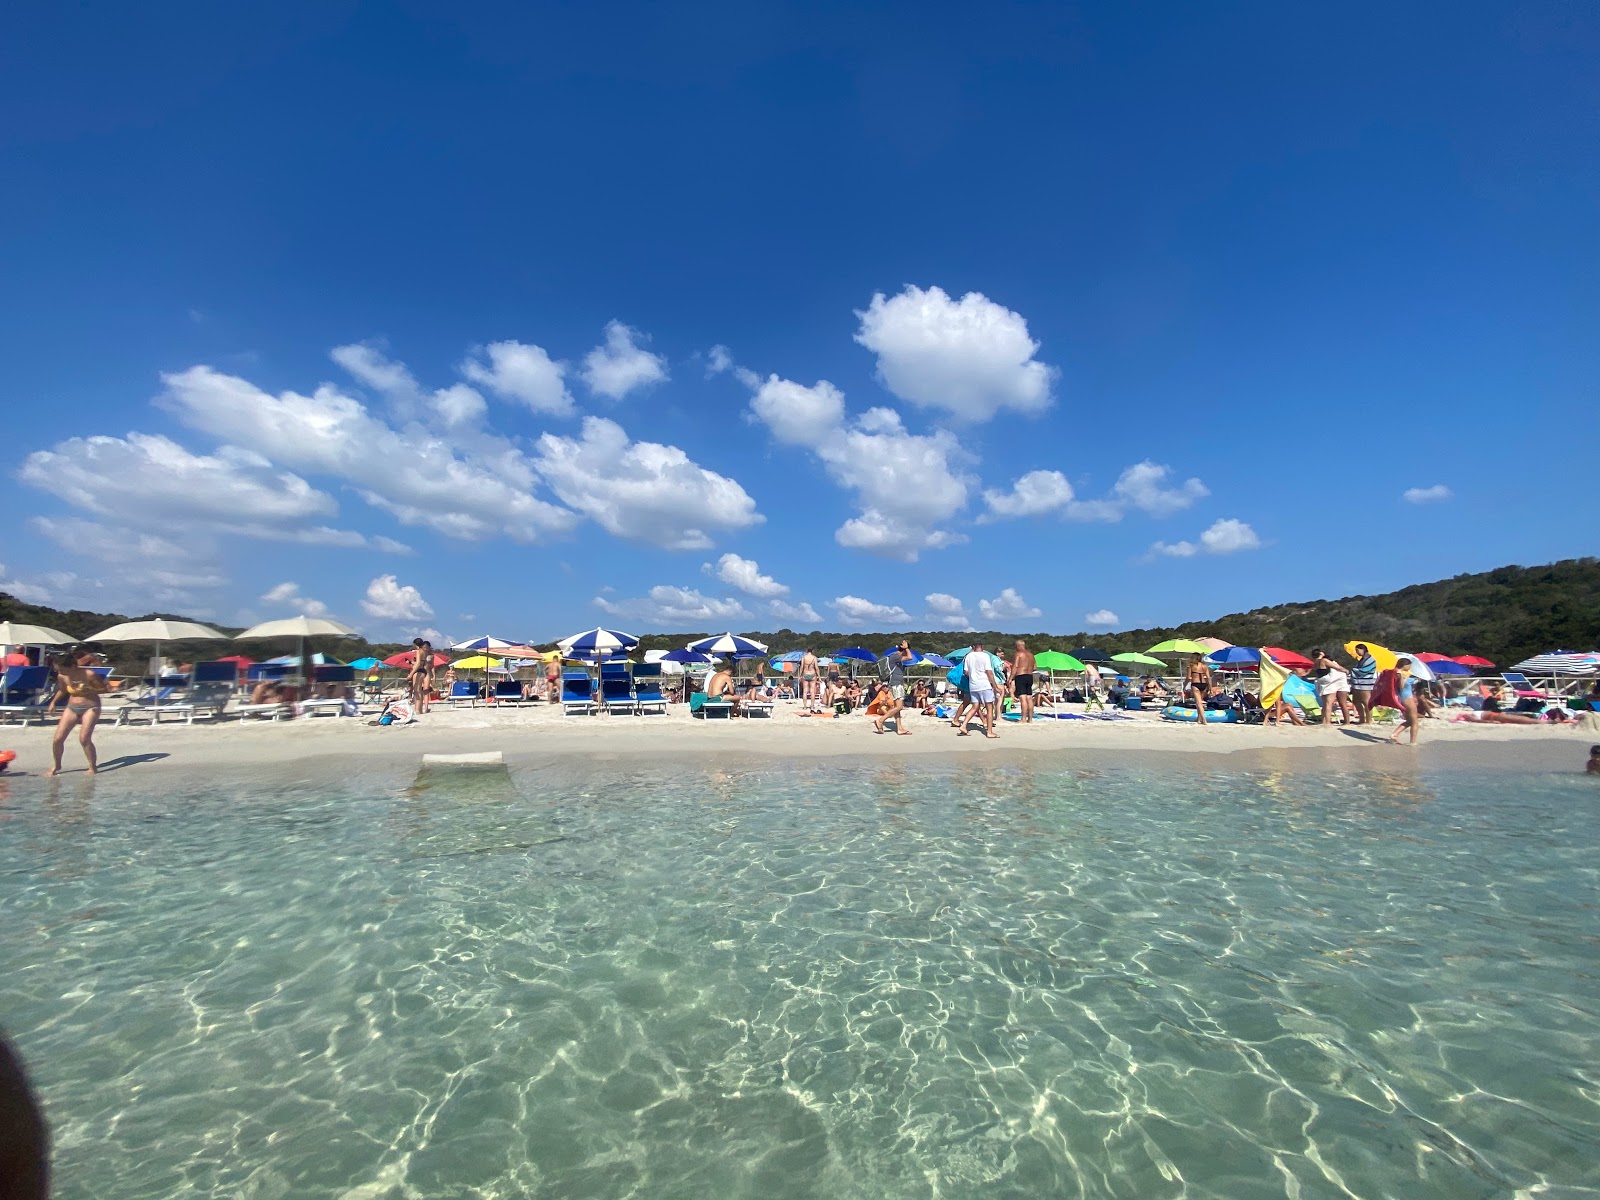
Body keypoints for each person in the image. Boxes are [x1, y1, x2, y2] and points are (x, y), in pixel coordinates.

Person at [43, 645, 111, 776]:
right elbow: (62, 690)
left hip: (91, 706)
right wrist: (53, 702)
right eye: (59, 670)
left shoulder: (89, 674)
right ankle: (57, 766)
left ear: (72, 666)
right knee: (57, 739)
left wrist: (89, 689)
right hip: (72, 707)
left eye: (62, 669)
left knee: (84, 738)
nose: (60, 672)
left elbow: (105, 689)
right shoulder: (62, 676)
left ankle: (92, 767)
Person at [960, 642, 1000, 739]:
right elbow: (989, 672)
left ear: (973, 647)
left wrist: (974, 676)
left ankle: (963, 725)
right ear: (983, 647)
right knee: (989, 708)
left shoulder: (968, 656)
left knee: (975, 707)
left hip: (973, 685)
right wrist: (995, 686)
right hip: (984, 684)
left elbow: (966, 672)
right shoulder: (985, 656)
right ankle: (989, 732)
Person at [1311, 649, 1356, 726]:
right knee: (1333, 703)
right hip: (1330, 682)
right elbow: (1336, 667)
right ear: (1321, 653)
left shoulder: (1315, 663)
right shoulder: (1324, 660)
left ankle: (1324, 721)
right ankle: (1331, 722)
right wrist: (1346, 671)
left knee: (1326, 704)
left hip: (1323, 682)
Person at [1388, 657, 1420, 745]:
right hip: (1407, 698)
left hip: (1403, 697)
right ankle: (1413, 742)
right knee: (1414, 721)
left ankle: (1394, 735)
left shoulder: (1394, 672)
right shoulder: (1400, 673)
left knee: (1409, 721)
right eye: (1409, 665)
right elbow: (1401, 686)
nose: (1410, 667)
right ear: (1405, 665)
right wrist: (1404, 678)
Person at [1349, 644, 1378, 725]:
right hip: (1357, 684)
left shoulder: (1371, 660)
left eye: (1357, 650)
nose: (1357, 652)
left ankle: (1368, 720)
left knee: (1366, 702)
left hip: (1366, 684)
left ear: (1363, 649)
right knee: (1356, 701)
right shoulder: (1361, 660)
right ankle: (1362, 719)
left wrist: (1354, 670)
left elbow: (1365, 670)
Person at [1010, 640, 1037, 724]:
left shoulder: (1018, 654)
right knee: (1029, 697)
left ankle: (1023, 718)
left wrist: (1010, 678)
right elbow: (1035, 667)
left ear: (1018, 646)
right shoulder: (1031, 655)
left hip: (1021, 676)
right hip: (1029, 676)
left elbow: (1015, 666)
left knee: (1023, 697)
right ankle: (1030, 719)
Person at [408, 640, 435, 716]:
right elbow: (425, 663)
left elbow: (418, 663)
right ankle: (419, 709)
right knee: (420, 691)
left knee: (417, 691)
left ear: (415, 644)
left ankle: (417, 709)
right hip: (424, 671)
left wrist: (411, 674)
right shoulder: (425, 652)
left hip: (419, 670)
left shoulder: (418, 651)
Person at [1185, 654, 1212, 725]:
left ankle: (1204, 720)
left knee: (1198, 703)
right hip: (1204, 684)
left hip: (1195, 684)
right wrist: (1211, 688)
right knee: (1200, 702)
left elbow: (1188, 678)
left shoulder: (1190, 666)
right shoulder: (1205, 666)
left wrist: (1184, 686)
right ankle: (1198, 718)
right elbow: (1208, 677)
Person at [882, 640, 912, 704]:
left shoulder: (897, 658)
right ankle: (887, 715)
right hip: (895, 684)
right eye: (906, 651)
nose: (907, 653)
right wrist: (906, 648)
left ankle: (897, 714)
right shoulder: (896, 656)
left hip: (897, 683)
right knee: (899, 706)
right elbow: (909, 657)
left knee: (898, 706)